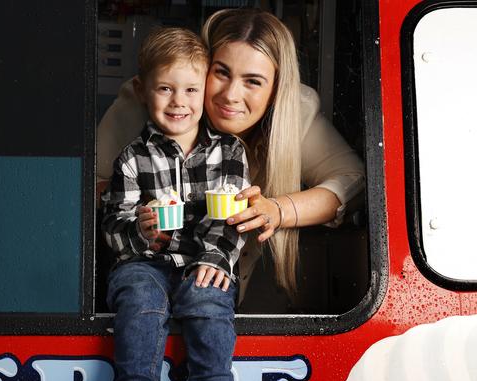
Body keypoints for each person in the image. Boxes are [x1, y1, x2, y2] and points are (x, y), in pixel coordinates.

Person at [97, 8, 365, 302]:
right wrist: (141, 208)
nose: (230, 95)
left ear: (276, 89)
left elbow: (354, 182)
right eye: (222, 72)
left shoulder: (296, 111)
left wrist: (277, 210)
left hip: (218, 288)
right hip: (143, 281)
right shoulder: (154, 99)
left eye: (253, 81)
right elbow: (86, 188)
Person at [101, 27, 249, 381]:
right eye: (166, 88)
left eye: (190, 89)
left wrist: (215, 259)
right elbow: (114, 226)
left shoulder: (229, 151)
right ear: (144, 91)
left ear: (205, 91)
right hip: (144, 264)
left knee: (208, 302)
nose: (179, 101)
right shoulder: (131, 158)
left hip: (202, 261)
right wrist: (142, 232)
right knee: (138, 301)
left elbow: (231, 220)